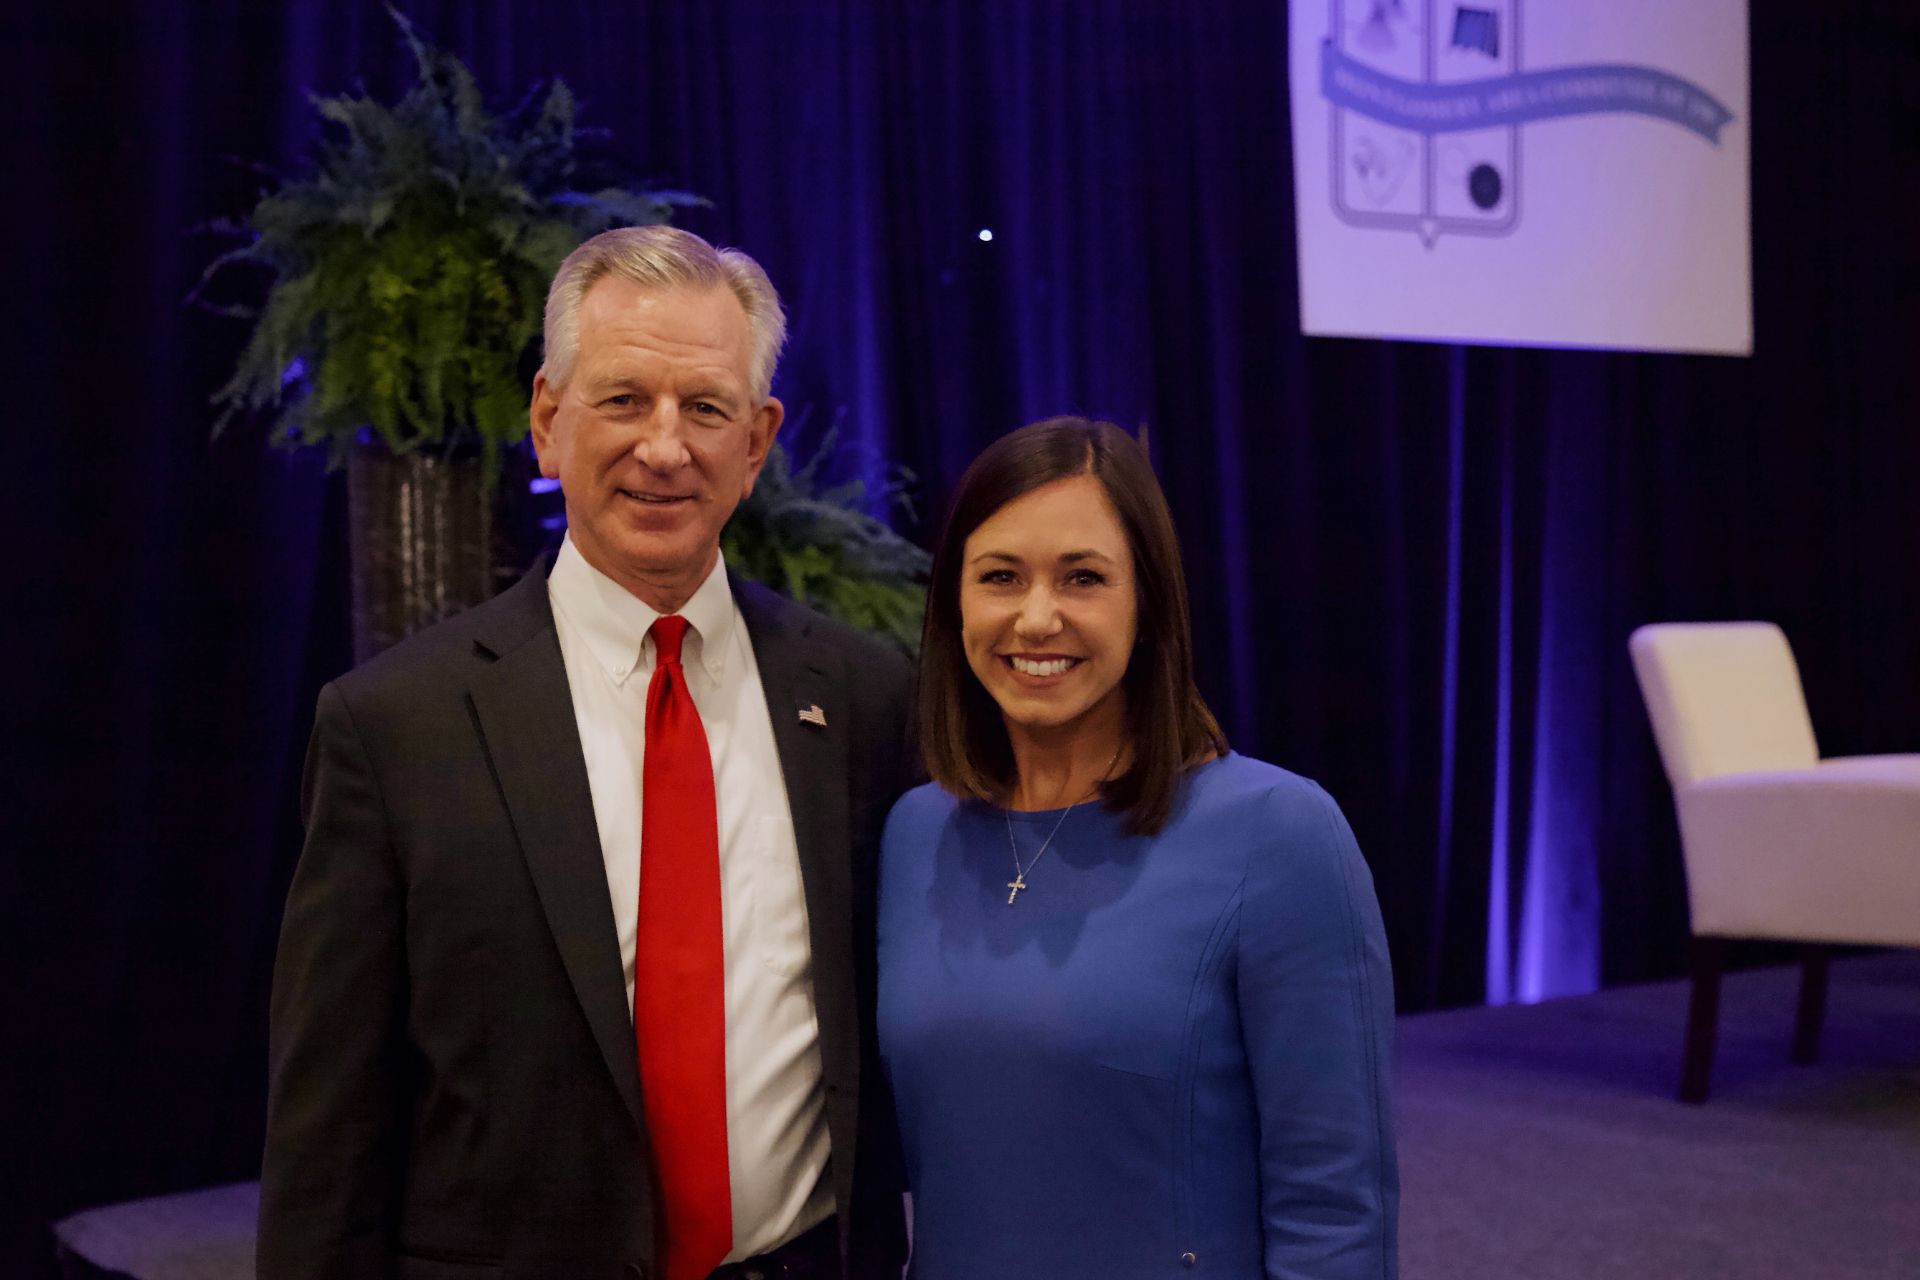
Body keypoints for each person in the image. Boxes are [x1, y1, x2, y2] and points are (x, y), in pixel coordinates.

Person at [260, 225, 915, 1280]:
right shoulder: (397, 727)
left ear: (757, 443)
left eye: (706, 408)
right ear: (547, 421)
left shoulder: (864, 695)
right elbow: (327, 1134)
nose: (666, 446)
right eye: (622, 400)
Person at [877, 418, 1398, 1279]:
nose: (1036, 618)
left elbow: (1337, 1201)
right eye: (999, 577)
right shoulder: (914, 834)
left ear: (1148, 603)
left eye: (1083, 578)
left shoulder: (1280, 833)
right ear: (954, 604)